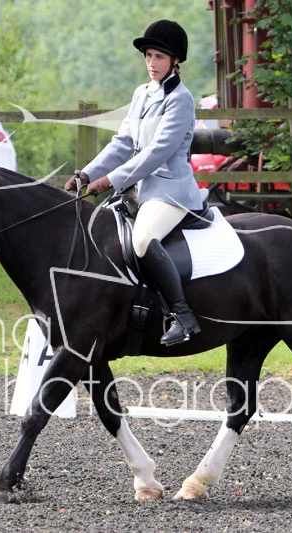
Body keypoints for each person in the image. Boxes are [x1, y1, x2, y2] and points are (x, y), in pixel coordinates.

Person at [65, 19, 203, 346]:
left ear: (175, 61)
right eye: (148, 56)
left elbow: (158, 152)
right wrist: (87, 173)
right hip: (139, 190)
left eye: (159, 57)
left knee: (142, 240)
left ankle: (182, 316)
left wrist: (109, 180)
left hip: (169, 191)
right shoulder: (142, 93)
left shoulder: (180, 99)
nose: (152, 63)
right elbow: (122, 143)